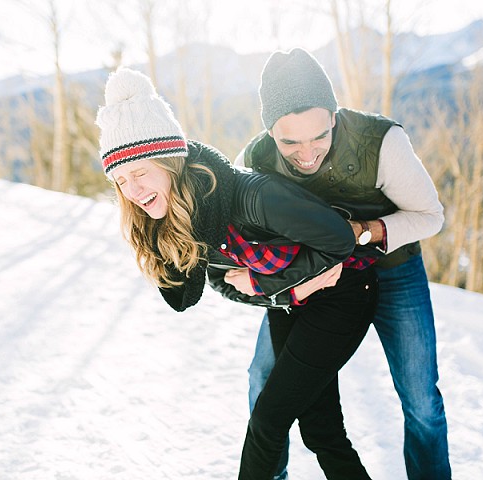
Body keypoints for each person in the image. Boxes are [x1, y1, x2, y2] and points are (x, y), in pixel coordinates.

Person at [95, 68, 378, 479]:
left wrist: (265, 283)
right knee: (321, 430)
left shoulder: (252, 197)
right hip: (294, 306)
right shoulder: (189, 217)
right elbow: (222, 286)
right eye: (121, 180)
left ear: (171, 162)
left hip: (343, 295)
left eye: (140, 173)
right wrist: (284, 292)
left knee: (269, 419)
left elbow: (340, 240)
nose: (133, 191)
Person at [235, 48, 451, 480]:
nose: (307, 152)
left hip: (392, 268)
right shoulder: (254, 159)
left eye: (318, 136)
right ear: (269, 132)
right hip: (312, 278)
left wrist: (362, 232)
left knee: (421, 399)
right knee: (265, 376)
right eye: (289, 141)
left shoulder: (381, 142)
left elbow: (430, 216)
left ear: (334, 117)